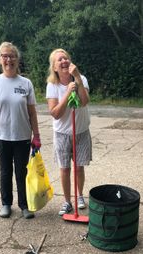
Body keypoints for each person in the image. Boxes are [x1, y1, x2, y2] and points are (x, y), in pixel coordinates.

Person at [0, 42, 41, 219]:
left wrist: (36, 135)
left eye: (12, 56)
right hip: (1, 136)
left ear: (17, 59)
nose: (9, 59)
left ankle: (24, 205)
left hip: (22, 136)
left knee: (22, 172)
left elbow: (32, 112)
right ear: (0, 60)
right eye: (5, 56)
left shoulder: (26, 83)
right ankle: (6, 204)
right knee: (5, 171)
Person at [46, 48, 92, 216]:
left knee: (79, 167)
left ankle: (79, 196)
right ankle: (67, 201)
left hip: (81, 131)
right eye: (60, 60)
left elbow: (85, 101)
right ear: (55, 67)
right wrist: (67, 93)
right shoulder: (52, 85)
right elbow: (55, 113)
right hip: (62, 133)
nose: (64, 61)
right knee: (64, 168)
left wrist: (78, 78)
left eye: (66, 58)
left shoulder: (81, 78)